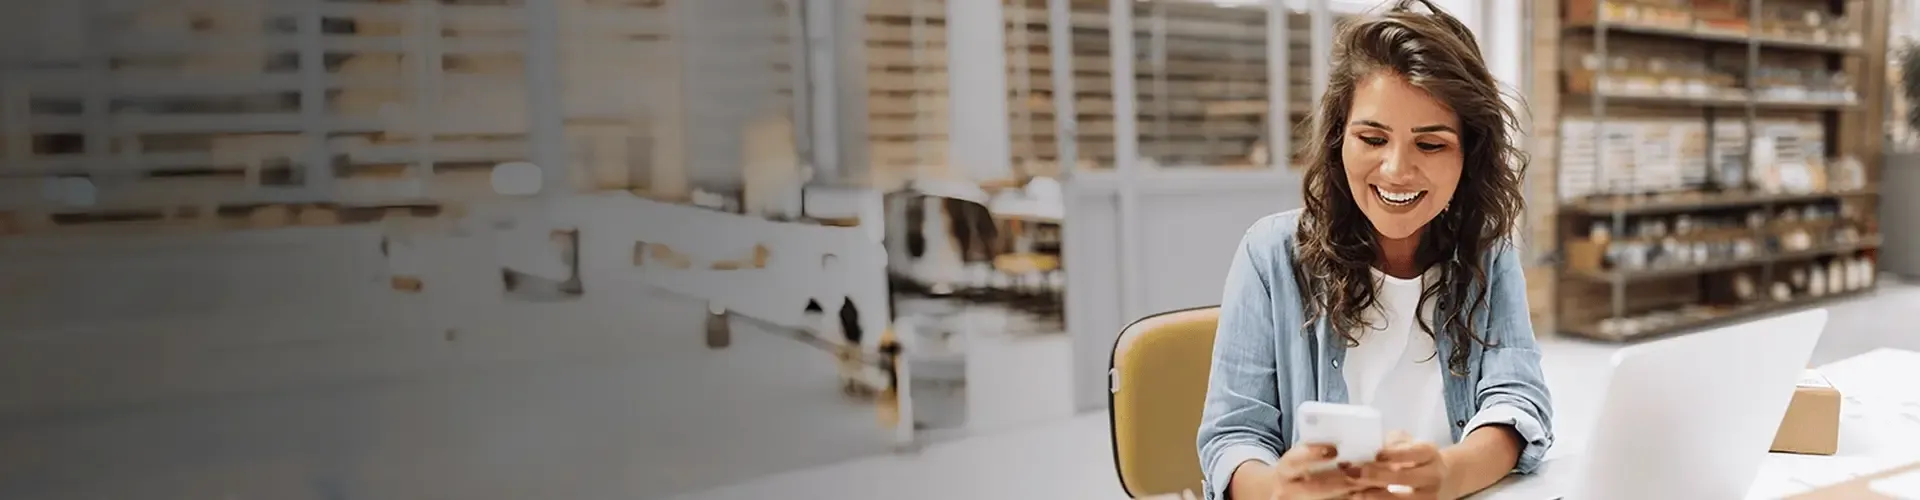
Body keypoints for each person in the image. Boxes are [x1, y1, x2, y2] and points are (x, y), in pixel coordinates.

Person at [1194, 1, 1552, 499]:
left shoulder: (1487, 252)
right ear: (1340, 139)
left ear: (1468, 154)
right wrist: (1278, 490)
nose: (1396, 170)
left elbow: (1517, 399)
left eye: (1430, 145)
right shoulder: (1271, 255)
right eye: (1372, 138)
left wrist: (1450, 473)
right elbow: (1233, 436)